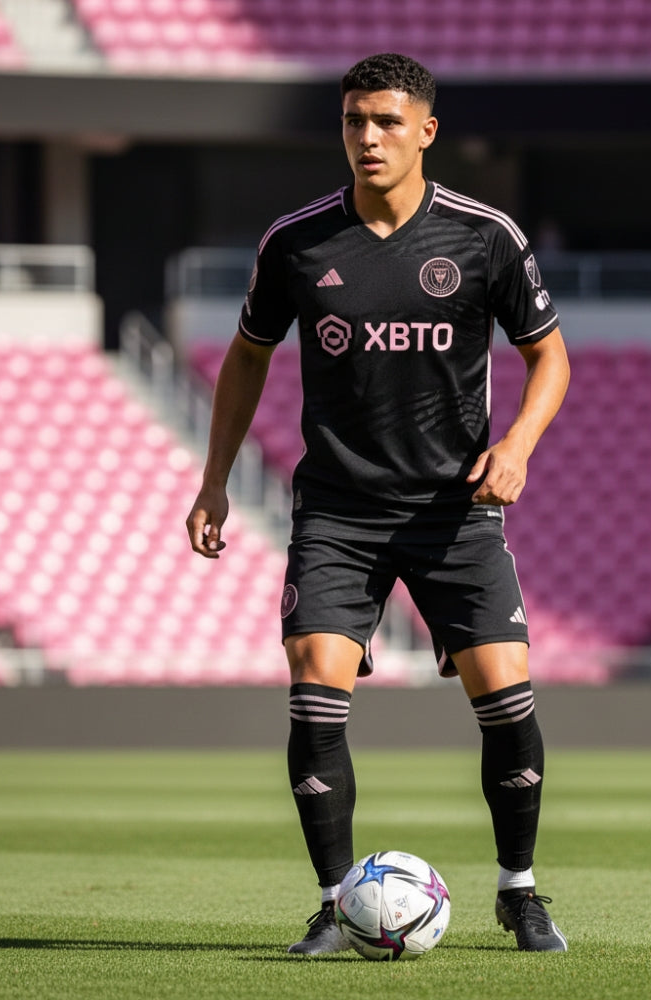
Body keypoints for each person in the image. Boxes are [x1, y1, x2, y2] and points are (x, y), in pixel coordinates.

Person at [186, 52, 570, 955]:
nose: (368, 136)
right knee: (314, 686)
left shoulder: (484, 237)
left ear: (426, 131)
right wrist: (213, 480)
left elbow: (549, 356)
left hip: (454, 511)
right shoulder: (297, 242)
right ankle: (333, 905)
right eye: (354, 120)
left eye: (388, 121)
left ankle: (518, 891)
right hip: (339, 512)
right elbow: (247, 356)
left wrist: (516, 446)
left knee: (506, 693)